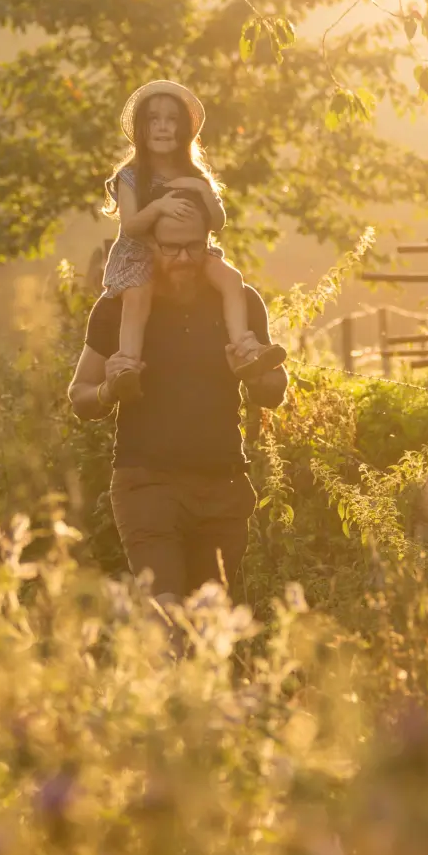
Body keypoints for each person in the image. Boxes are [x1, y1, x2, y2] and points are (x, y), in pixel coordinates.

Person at [67, 199, 289, 603]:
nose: (184, 258)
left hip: (223, 486)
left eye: (194, 245)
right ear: (149, 245)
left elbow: (273, 391)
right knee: (167, 617)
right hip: (147, 484)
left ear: (210, 241)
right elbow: (81, 397)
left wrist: (254, 373)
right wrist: (109, 390)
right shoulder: (117, 307)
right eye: (171, 247)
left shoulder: (240, 300)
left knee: (210, 630)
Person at [97, 80, 285, 403]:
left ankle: (244, 347)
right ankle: (126, 368)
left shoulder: (194, 173)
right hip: (141, 252)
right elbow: (130, 226)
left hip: (194, 248)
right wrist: (157, 207)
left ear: (183, 129)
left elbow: (218, 222)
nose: (162, 127)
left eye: (171, 120)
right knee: (137, 298)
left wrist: (202, 191)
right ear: (142, 129)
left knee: (231, 278)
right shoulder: (130, 175)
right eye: (154, 120)